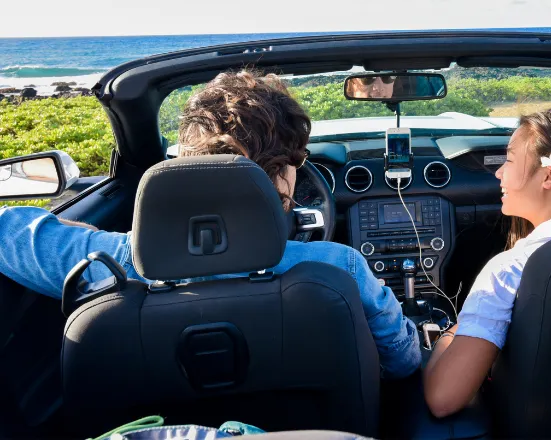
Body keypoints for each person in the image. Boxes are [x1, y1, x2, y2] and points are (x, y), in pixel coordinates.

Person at [0, 70, 421, 379]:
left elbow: (8, 232)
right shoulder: (338, 267)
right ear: (280, 176)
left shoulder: (105, 266)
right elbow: (403, 362)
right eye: (297, 164)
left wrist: (98, 239)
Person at [423, 109, 551, 417]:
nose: (498, 174)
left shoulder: (509, 269)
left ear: (549, 175)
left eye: (507, 161)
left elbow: (443, 400)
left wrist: (450, 335)